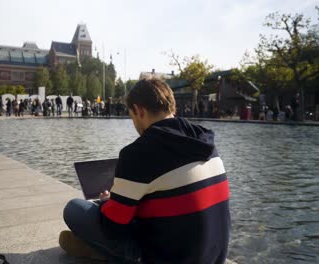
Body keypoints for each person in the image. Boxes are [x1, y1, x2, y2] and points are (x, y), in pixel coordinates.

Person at [61, 79, 230, 264]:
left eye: (132, 116)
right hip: (213, 257)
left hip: (168, 257)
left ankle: (101, 251)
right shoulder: (205, 141)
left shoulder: (138, 153)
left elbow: (112, 227)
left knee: (74, 209)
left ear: (139, 110)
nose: (134, 123)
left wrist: (106, 204)